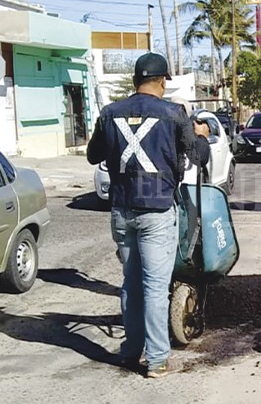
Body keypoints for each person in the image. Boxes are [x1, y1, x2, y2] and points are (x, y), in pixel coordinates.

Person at [86, 52, 210, 378]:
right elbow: (198, 157)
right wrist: (200, 136)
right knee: (155, 287)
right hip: (156, 211)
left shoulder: (110, 113)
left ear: (135, 80)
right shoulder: (174, 113)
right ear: (163, 80)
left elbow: (93, 155)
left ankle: (130, 351)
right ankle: (156, 360)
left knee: (131, 284)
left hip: (122, 210)